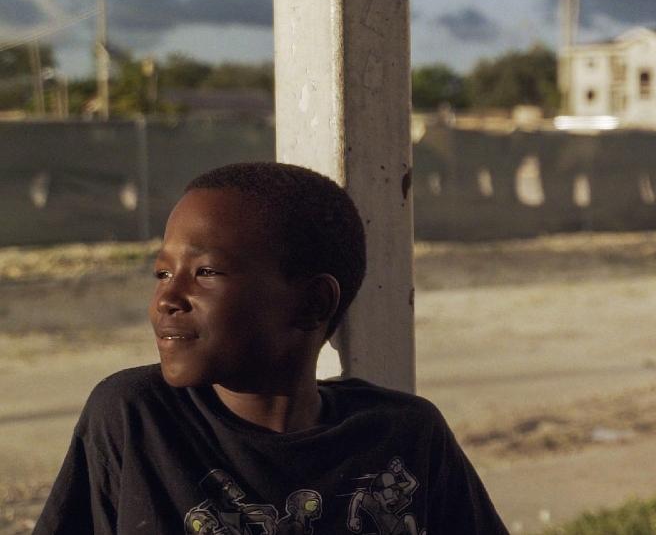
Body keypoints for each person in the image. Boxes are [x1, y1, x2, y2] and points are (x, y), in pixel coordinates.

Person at [34, 162, 507, 534]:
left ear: (312, 302)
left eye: (205, 272)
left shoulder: (404, 436)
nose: (166, 299)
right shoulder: (136, 418)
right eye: (162, 273)